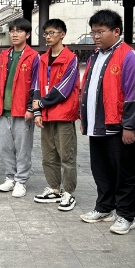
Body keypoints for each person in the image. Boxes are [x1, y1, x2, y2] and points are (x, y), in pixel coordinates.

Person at [79, 9, 135, 234]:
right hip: (97, 125)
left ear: (116, 31)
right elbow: (88, 90)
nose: (96, 36)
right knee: (100, 169)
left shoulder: (130, 57)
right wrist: (85, 118)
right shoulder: (95, 57)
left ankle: (126, 215)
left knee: (123, 172)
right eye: (93, 32)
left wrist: (130, 126)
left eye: (101, 31)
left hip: (118, 127)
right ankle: (104, 207)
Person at [31, 18, 80, 211]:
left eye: (52, 33)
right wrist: (37, 111)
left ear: (62, 34)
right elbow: (37, 85)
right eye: (46, 33)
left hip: (64, 113)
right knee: (48, 154)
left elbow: (65, 88)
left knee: (66, 155)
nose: (48, 37)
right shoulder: (43, 58)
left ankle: (69, 192)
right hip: (46, 113)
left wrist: (42, 103)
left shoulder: (71, 58)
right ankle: (54, 188)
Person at [0, 18, 39, 198]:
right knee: (5, 146)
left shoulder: (34, 57)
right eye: (12, 31)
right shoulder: (4, 55)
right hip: (4, 109)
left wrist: (31, 108)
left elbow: (36, 85)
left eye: (19, 31)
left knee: (23, 147)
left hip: (22, 110)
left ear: (27, 34)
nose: (14, 34)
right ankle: (10, 177)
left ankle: (21, 180)